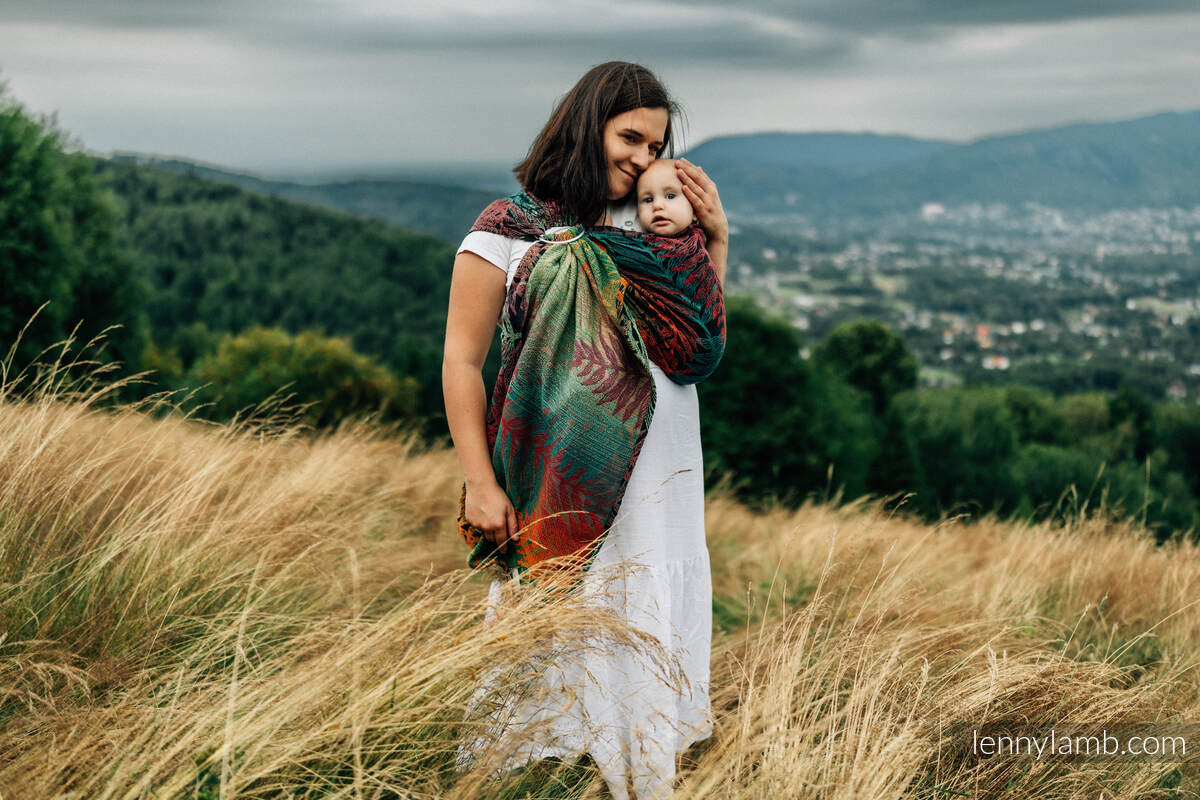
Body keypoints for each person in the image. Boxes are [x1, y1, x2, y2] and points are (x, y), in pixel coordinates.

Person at [442, 61, 728, 800]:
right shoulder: (508, 232)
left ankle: (634, 776)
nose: (640, 158)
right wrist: (478, 481)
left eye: (654, 145)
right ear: (587, 123)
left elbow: (698, 344)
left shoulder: (650, 229)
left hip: (664, 482)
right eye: (629, 137)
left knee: (644, 625)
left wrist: (716, 241)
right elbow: (462, 361)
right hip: (562, 479)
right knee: (563, 627)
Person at [635, 158, 697, 237]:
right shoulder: (635, 241)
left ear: (694, 210)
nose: (657, 205)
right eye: (648, 200)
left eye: (670, 196)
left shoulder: (707, 240)